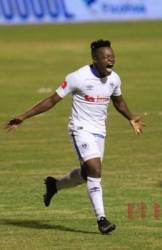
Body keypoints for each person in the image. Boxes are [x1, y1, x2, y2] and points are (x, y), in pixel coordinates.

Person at [5, 39, 144, 234]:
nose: (110, 59)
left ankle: (55, 185)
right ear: (95, 59)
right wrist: (23, 116)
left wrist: (131, 118)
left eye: (112, 56)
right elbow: (52, 100)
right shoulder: (77, 77)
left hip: (99, 131)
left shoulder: (114, 79)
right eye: (106, 57)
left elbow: (118, 102)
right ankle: (102, 219)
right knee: (95, 169)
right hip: (80, 129)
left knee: (88, 174)